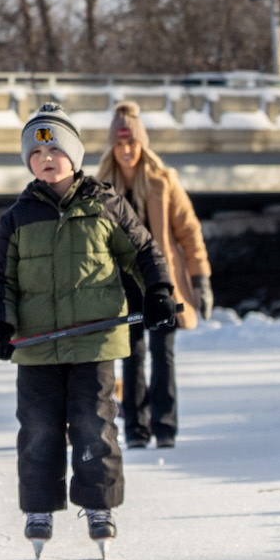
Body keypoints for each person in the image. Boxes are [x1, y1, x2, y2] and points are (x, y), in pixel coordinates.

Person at [0, 108, 174, 555]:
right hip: (36, 347)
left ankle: (100, 504)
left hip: (94, 342)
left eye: (55, 150)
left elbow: (143, 253)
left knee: (94, 424)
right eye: (37, 152)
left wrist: (158, 292)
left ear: (75, 156)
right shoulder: (17, 218)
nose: (46, 158)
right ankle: (39, 507)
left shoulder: (106, 205)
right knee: (39, 428)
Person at [97, 100, 212, 449]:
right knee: (131, 352)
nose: (127, 151)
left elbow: (189, 231)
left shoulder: (164, 182)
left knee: (163, 352)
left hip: (163, 281)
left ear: (142, 144)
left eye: (132, 143)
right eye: (119, 145)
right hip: (124, 283)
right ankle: (135, 427)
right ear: (112, 147)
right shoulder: (101, 187)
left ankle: (165, 426)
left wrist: (200, 279)